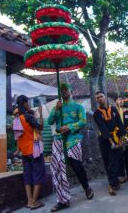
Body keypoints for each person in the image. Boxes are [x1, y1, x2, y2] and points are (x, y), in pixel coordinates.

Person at [48, 83, 94, 212]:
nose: (63, 91)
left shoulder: (78, 107)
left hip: (73, 139)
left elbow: (83, 121)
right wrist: (56, 110)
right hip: (58, 139)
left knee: (76, 165)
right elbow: (49, 122)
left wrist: (69, 127)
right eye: (61, 90)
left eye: (65, 89)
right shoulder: (57, 106)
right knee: (57, 168)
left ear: (70, 90)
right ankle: (63, 200)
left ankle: (87, 188)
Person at [14, 95, 46, 210]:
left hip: (24, 152)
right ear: (25, 103)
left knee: (27, 176)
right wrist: (41, 114)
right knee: (38, 174)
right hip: (34, 150)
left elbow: (17, 136)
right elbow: (41, 127)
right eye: (28, 103)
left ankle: (29, 201)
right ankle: (34, 202)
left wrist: (18, 149)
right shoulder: (28, 117)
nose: (29, 105)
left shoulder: (18, 118)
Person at [93, 91, 125, 195]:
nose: (99, 99)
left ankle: (111, 185)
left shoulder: (114, 109)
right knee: (108, 162)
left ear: (105, 97)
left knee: (113, 162)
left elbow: (119, 125)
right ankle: (115, 182)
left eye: (101, 96)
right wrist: (111, 142)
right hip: (105, 140)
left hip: (116, 138)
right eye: (97, 98)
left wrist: (120, 140)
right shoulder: (97, 113)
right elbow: (103, 128)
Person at [115, 98, 128, 182]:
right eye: (118, 100)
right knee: (119, 155)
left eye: (121, 100)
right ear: (115, 102)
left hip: (127, 135)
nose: (120, 102)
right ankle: (121, 175)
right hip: (117, 136)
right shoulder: (114, 112)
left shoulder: (126, 112)